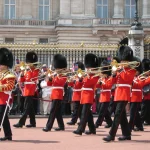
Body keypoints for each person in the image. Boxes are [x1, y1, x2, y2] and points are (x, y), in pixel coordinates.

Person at [103, 46, 136, 142]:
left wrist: (120, 70)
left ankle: (111, 135)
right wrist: (113, 74)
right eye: (122, 61)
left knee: (117, 114)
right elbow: (110, 83)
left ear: (128, 61)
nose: (122, 63)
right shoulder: (119, 70)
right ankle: (126, 134)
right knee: (122, 116)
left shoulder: (131, 70)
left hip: (124, 93)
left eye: (124, 61)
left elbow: (127, 79)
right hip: (118, 94)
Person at [73, 53, 99, 135]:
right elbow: (79, 85)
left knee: (84, 113)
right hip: (83, 95)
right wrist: (80, 79)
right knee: (88, 114)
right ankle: (92, 129)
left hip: (89, 95)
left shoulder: (95, 76)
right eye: (87, 68)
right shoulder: (85, 75)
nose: (87, 69)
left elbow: (90, 83)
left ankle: (80, 129)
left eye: (89, 68)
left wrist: (86, 76)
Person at [13, 51, 40, 128]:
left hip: (31, 90)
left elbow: (33, 78)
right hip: (26, 90)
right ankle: (33, 123)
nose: (28, 64)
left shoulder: (35, 70)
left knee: (26, 107)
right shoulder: (26, 71)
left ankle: (21, 122)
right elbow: (22, 80)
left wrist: (28, 70)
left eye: (29, 63)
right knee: (30, 107)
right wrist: (22, 73)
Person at [42, 54, 67, 132]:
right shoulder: (55, 75)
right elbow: (49, 84)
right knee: (57, 112)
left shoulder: (63, 75)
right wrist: (49, 78)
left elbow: (60, 83)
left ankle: (48, 126)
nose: (56, 69)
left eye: (58, 68)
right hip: (54, 93)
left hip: (58, 94)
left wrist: (55, 76)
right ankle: (61, 126)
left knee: (53, 111)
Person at [0, 47, 16, 141]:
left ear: (6, 65)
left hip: (4, 99)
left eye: (1, 64)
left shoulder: (10, 75)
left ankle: (8, 134)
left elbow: (10, 87)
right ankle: (8, 135)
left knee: (2, 117)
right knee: (4, 118)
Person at [95, 60, 113, 129]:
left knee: (102, 111)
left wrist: (102, 82)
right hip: (102, 96)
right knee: (104, 111)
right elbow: (97, 87)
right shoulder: (103, 78)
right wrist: (99, 82)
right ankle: (110, 122)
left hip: (107, 96)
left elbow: (108, 86)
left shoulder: (110, 78)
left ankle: (97, 124)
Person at [129, 56, 144, 132]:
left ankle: (130, 126)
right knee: (135, 112)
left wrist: (133, 82)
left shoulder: (141, 77)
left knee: (132, 112)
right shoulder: (133, 77)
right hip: (132, 96)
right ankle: (140, 126)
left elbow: (140, 85)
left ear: (138, 71)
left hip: (137, 96)